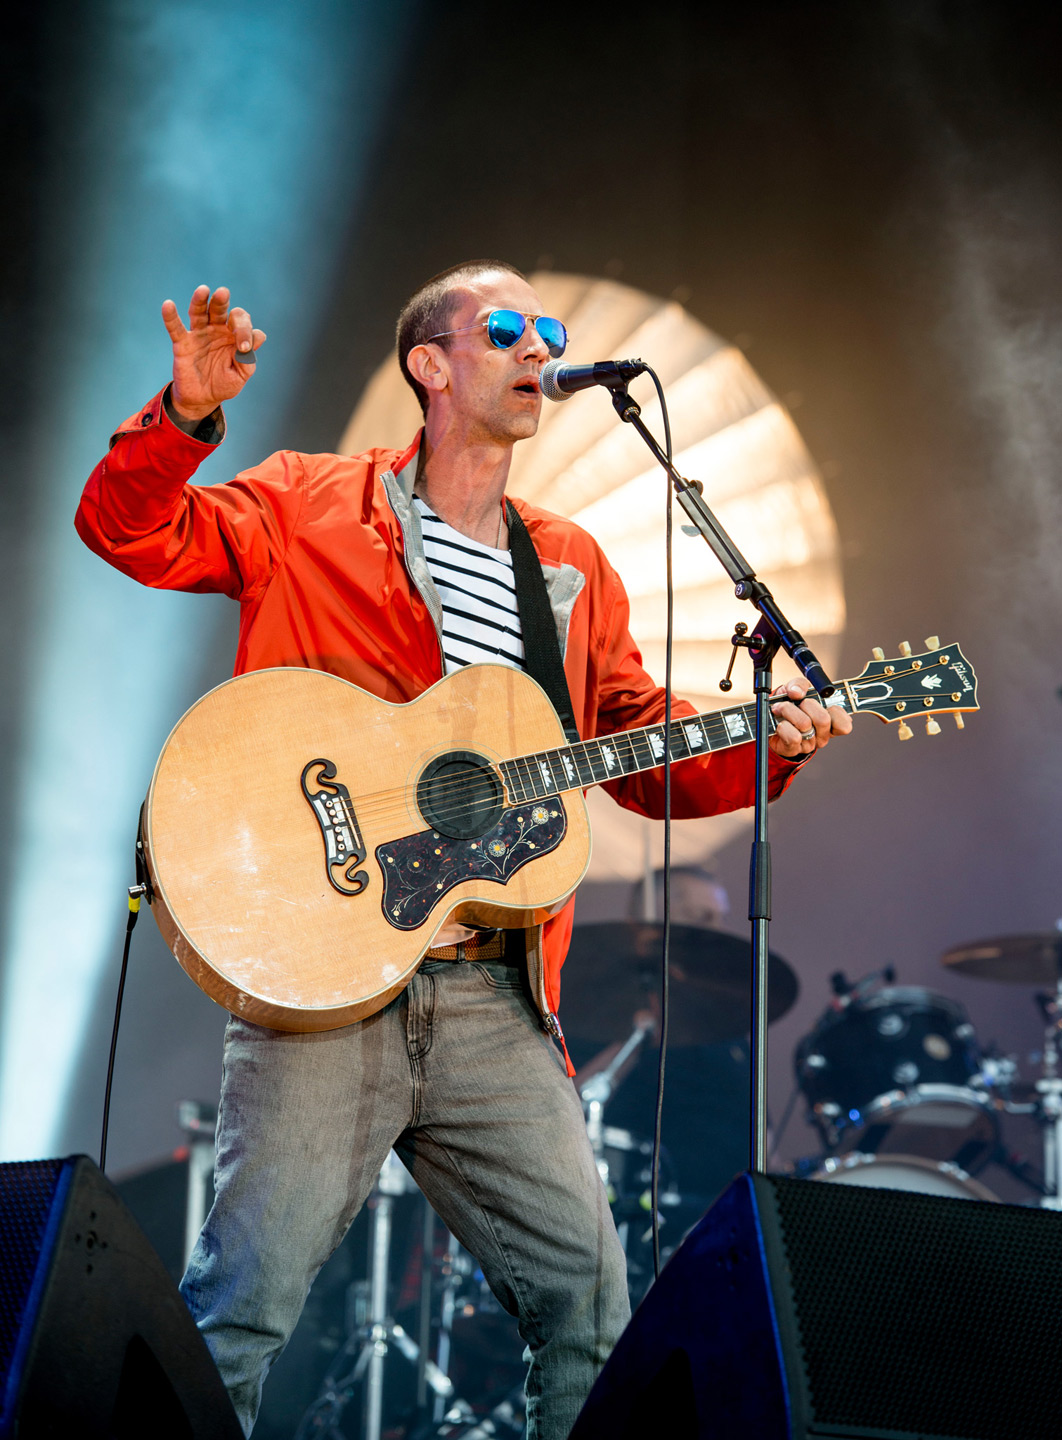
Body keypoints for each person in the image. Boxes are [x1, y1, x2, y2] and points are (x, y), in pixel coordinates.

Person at [75, 260, 851, 1437]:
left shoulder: (574, 566)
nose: (541, 346)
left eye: (548, 331)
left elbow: (635, 751)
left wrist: (771, 744)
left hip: (493, 995)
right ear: (430, 367)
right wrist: (184, 418)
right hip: (326, 988)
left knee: (594, 1312)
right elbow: (128, 529)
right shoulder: (306, 503)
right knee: (237, 1313)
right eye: (507, 329)